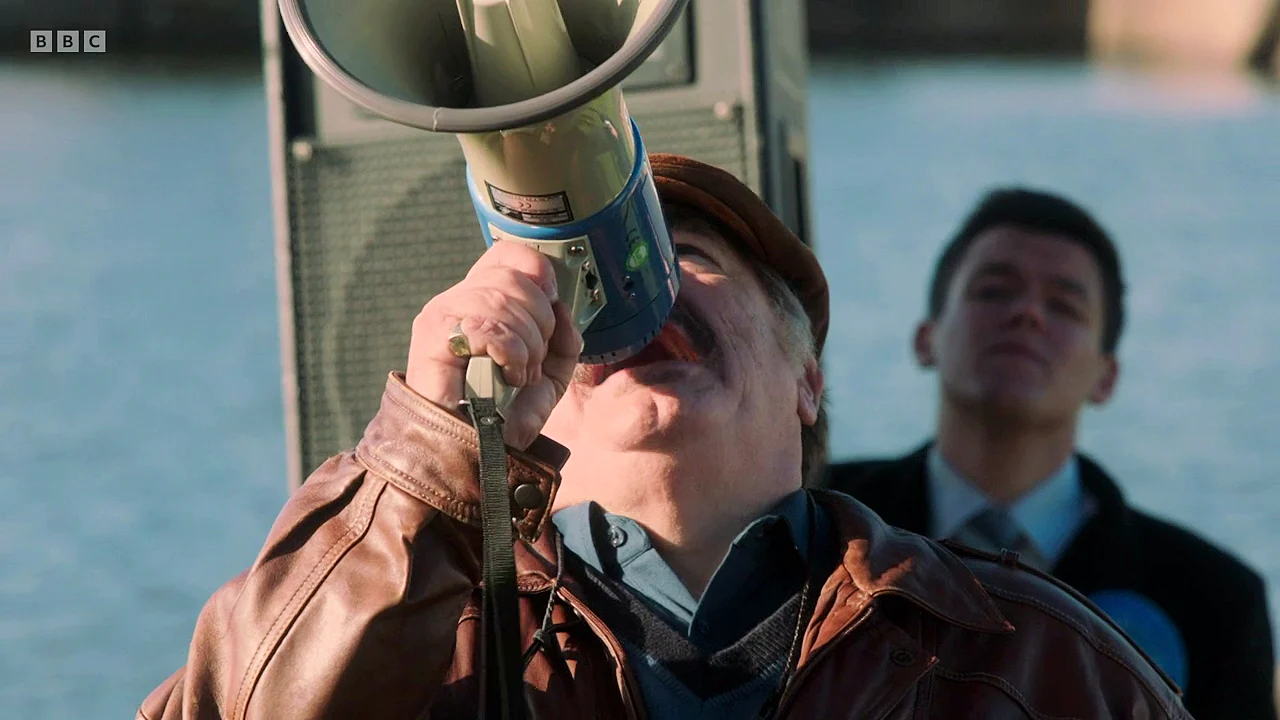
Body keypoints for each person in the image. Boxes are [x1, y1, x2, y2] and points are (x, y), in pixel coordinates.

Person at [139, 156, 1192, 719]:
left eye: (690, 256)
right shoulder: (422, 637)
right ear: (542, 392)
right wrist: (433, 450)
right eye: (582, 288)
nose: (638, 293)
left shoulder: (1033, 654)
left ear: (808, 381)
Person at [824, 187, 1276, 719]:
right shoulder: (815, 522)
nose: (1027, 313)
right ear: (927, 338)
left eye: (1064, 305)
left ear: (1106, 377)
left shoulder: (1213, 601)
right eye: (994, 291)